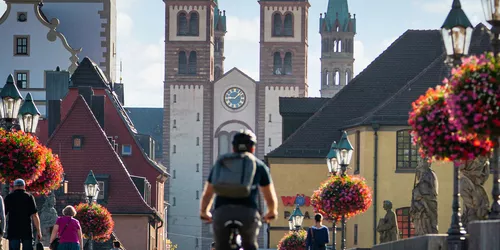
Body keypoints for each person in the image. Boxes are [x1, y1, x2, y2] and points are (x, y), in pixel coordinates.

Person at [200, 129, 278, 250]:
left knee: (220, 246)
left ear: (233, 147)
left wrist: (204, 211)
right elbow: (268, 195)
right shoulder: (258, 165)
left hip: (222, 212)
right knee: (250, 245)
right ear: (253, 148)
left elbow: (208, 192)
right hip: (247, 213)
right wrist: (272, 212)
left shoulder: (221, 162)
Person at [5, 179, 42, 250]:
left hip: (13, 229)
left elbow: (4, 214)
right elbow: (35, 215)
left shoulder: (9, 197)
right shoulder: (29, 197)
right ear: (24, 186)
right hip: (26, 229)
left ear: (14, 187)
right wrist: (38, 230)